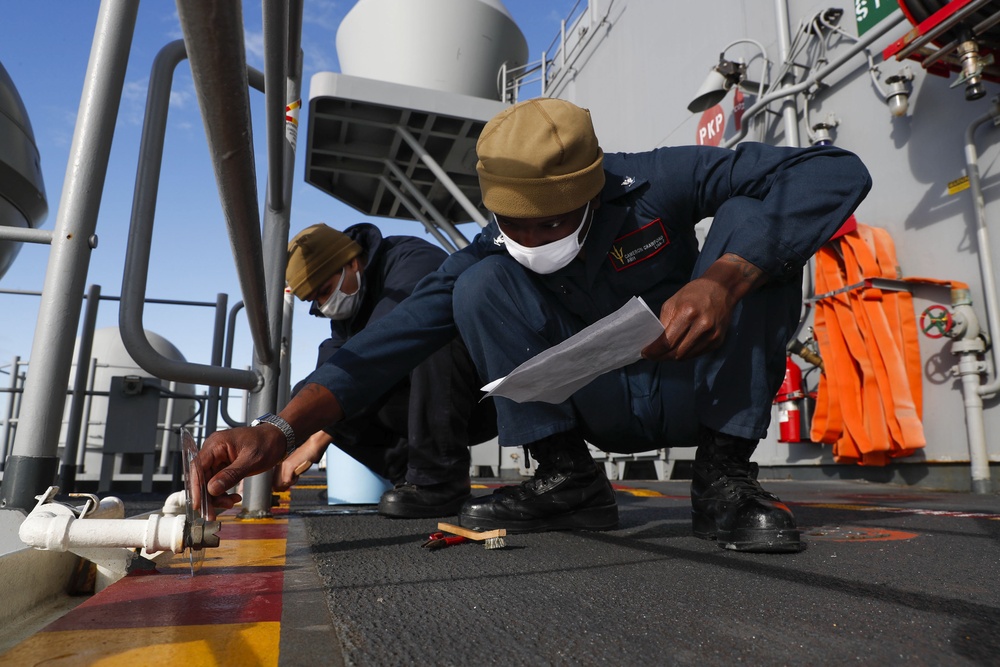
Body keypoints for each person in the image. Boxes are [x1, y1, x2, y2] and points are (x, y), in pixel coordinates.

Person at [196, 98, 870, 554]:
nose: (529, 237)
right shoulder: (491, 251)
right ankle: (567, 479)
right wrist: (278, 427)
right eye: (512, 221)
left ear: (592, 187)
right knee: (477, 282)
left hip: (697, 385)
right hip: (598, 404)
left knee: (755, 235)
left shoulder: (660, 179)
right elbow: (377, 350)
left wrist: (723, 278)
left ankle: (725, 478)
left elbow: (835, 170)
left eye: (550, 220)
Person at [278, 222, 495, 518]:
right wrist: (282, 444)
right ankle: (411, 475)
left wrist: (318, 438)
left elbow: (395, 341)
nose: (324, 306)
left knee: (426, 337)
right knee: (307, 395)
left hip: (485, 396)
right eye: (314, 301)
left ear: (352, 262)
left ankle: (440, 479)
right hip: (427, 412)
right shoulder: (349, 311)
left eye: (325, 291)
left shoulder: (412, 260)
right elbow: (329, 372)